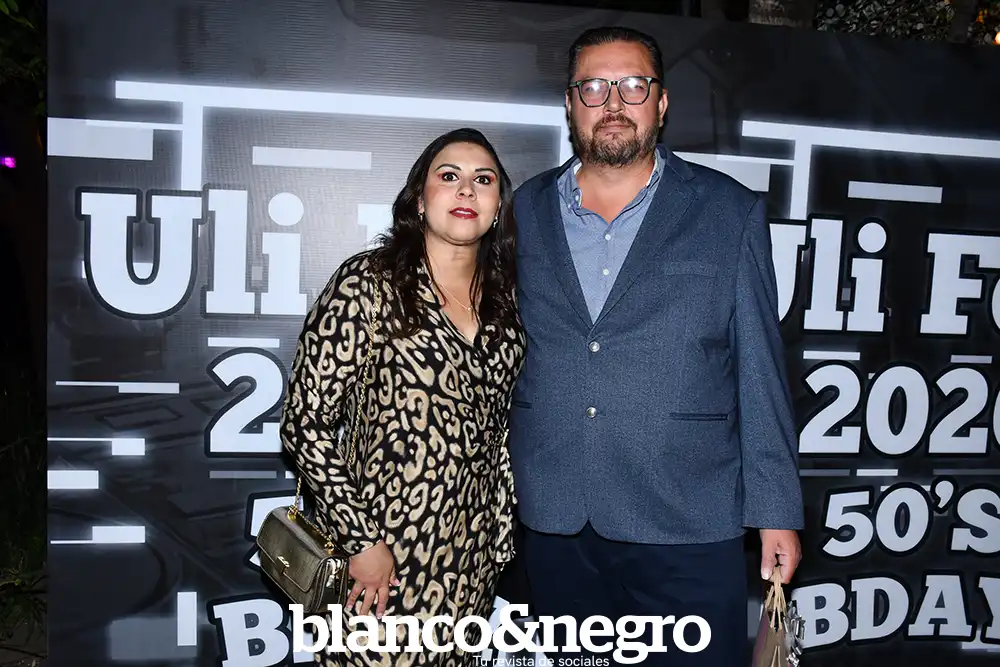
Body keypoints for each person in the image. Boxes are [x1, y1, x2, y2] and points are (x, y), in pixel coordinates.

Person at [507, 26, 804, 666]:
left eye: (633, 85)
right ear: (570, 104)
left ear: (661, 103)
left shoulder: (728, 211)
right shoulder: (522, 210)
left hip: (688, 517)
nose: (613, 102)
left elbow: (760, 369)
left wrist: (777, 509)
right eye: (593, 86)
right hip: (557, 516)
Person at [280, 127, 526, 666]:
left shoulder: (509, 304)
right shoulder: (369, 283)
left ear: (497, 208)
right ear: (419, 199)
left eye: (483, 180)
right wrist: (362, 541)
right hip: (380, 557)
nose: (467, 190)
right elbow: (304, 424)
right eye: (449, 176)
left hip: (473, 561)